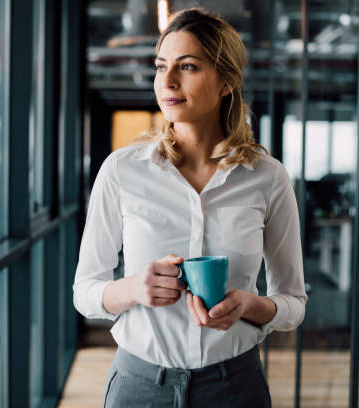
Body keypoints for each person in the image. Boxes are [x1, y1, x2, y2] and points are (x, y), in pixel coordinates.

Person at [73, 8, 307, 407]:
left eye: (188, 66)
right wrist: (134, 288)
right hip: (139, 385)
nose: (167, 81)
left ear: (226, 83)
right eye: (161, 66)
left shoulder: (268, 178)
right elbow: (85, 292)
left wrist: (251, 305)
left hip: (235, 386)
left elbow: (293, 304)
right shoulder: (121, 171)